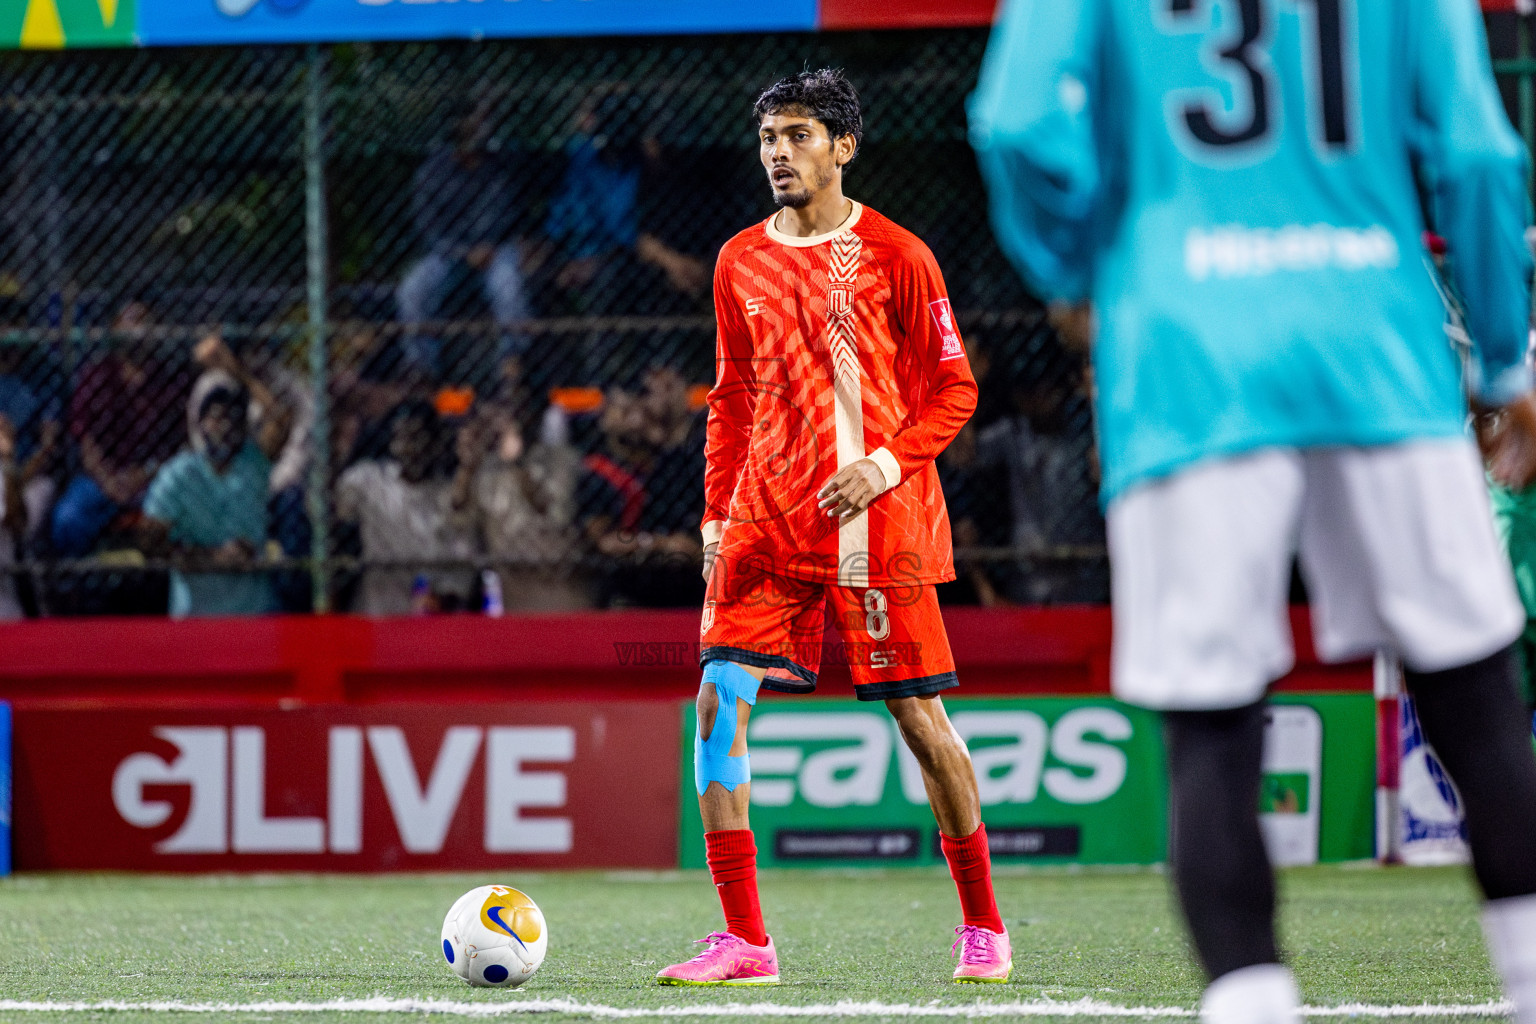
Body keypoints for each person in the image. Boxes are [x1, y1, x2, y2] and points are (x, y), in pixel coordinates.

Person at [970, 3, 1536, 1023]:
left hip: (1186, 357)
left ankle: (1252, 1002)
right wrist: (1503, 354)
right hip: (1383, 350)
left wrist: (1078, 265)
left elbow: (1015, 122)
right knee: (1474, 694)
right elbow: (1479, 150)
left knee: (1212, 722)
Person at [657, 69, 1006, 988]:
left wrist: (883, 464)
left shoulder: (900, 255)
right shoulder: (739, 259)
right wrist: (712, 516)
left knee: (920, 721)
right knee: (715, 701)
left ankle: (984, 925)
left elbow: (956, 388)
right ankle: (746, 943)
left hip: (879, 531)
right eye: (770, 135)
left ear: (844, 146)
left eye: (800, 134)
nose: (779, 151)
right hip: (764, 529)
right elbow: (730, 401)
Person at [396, 100, 528, 383]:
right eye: (473, 124)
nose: (480, 131)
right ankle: (422, 367)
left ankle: (512, 362)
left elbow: (507, 214)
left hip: (495, 251)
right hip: (449, 255)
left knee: (509, 286)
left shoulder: (499, 167)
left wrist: (488, 246)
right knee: (413, 288)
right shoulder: (433, 171)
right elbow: (427, 228)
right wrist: (463, 252)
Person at [140, 384, 282, 618]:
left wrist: (231, 366)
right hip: (196, 616)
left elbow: (278, 417)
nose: (224, 428)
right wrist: (212, 556)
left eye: (233, 419)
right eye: (216, 419)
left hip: (255, 613)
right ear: (201, 424)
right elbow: (149, 542)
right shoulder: (180, 474)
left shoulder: (254, 464)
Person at [335, 401, 479, 615]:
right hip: (375, 614)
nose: (408, 447)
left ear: (435, 444)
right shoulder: (370, 480)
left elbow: (460, 573)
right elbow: (333, 510)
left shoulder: (446, 496)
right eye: (401, 437)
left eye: (417, 437)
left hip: (425, 621)